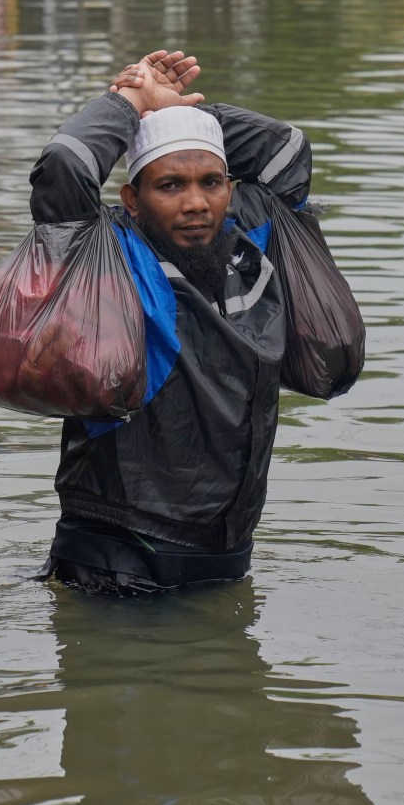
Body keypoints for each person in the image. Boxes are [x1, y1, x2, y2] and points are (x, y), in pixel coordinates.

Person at [28, 50, 314, 593]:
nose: (195, 203)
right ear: (132, 199)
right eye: (170, 186)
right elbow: (65, 166)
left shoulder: (247, 245)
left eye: (211, 182)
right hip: (119, 563)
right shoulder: (106, 257)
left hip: (224, 558)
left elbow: (286, 150)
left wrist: (176, 111)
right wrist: (129, 105)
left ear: (230, 190)